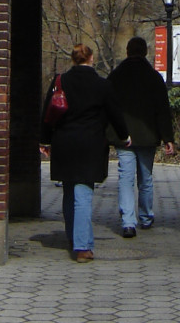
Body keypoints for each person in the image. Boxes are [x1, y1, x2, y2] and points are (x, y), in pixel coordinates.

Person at [39, 43, 131, 263]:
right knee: (82, 195)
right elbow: (115, 114)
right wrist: (124, 136)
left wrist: (44, 140)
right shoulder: (102, 85)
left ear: (73, 59)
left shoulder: (60, 81)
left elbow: (47, 112)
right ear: (91, 58)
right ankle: (82, 247)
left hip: (64, 143)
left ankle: (74, 237)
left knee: (70, 192)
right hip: (90, 145)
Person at [107, 36, 175, 237]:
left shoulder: (116, 76)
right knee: (145, 178)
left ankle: (128, 221)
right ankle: (146, 216)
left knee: (125, 178)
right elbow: (162, 110)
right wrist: (167, 137)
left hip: (123, 136)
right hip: (147, 136)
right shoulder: (153, 77)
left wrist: (106, 133)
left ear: (127, 51)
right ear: (145, 52)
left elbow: (108, 106)